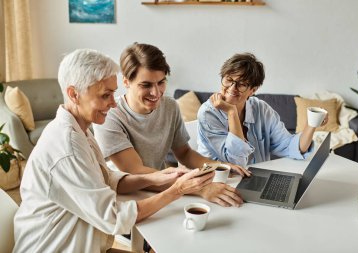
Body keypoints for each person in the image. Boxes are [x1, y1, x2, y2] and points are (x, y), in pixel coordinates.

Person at [13, 49, 214, 253]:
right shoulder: (67, 147)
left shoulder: (79, 129)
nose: (113, 102)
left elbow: (105, 178)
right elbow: (114, 217)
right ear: (74, 94)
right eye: (105, 95)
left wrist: (156, 178)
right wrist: (176, 190)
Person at [93, 43, 250, 208]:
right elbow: (136, 171)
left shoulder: (169, 106)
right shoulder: (110, 115)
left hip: (164, 189)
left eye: (161, 82)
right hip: (127, 199)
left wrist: (219, 166)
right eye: (146, 85)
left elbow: (185, 154)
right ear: (126, 81)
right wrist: (201, 188)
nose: (156, 93)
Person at [197, 52, 328, 167]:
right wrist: (232, 113)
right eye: (228, 80)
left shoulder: (261, 109)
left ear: (253, 90)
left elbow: (290, 147)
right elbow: (236, 162)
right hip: (223, 184)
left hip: (257, 180)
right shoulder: (208, 113)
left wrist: (312, 124)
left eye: (241, 84)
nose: (232, 88)